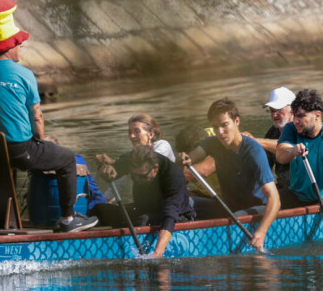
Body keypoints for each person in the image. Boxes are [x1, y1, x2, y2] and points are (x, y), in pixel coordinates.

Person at [0, 0, 97, 233]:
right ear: (9, 46)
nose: (21, 45)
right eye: (18, 42)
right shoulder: (24, 74)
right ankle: (68, 219)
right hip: (18, 149)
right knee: (66, 158)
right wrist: (41, 143)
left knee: (3, 165)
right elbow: (37, 117)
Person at [181, 99, 281, 252]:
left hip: (257, 208)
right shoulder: (212, 143)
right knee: (183, 201)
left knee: (236, 216)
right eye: (215, 127)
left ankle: (206, 245)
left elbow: (275, 200)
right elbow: (191, 157)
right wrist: (182, 158)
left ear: (237, 121)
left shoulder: (253, 151)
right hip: (229, 206)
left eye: (224, 125)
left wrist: (261, 232)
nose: (220, 132)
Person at [276, 88, 323, 237]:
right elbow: (280, 155)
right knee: (270, 201)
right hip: (299, 195)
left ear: (317, 116)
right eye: (294, 116)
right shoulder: (291, 129)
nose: (296, 121)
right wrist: (292, 151)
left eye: (301, 116)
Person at [110, 144, 195, 258]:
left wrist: (157, 253)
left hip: (178, 217)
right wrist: (107, 169)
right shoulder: (132, 161)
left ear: (155, 168)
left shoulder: (173, 176)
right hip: (146, 211)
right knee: (101, 210)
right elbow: (115, 167)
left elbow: (169, 218)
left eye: (142, 176)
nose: (138, 180)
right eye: (134, 176)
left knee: (143, 219)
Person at [27, 135, 108, 226]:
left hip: (44, 217)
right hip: (88, 208)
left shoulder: (37, 164)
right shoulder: (77, 159)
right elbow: (94, 190)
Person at [95, 113, 175, 179]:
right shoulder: (134, 163)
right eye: (129, 132)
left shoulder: (163, 145)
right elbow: (121, 183)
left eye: (137, 131)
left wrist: (114, 162)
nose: (132, 136)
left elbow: (148, 159)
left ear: (151, 134)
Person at [254, 87, 295, 196]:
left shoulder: (300, 128)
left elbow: (289, 147)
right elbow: (264, 166)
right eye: (272, 110)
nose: (274, 115)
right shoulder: (272, 132)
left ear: (292, 110)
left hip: (301, 190)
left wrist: (254, 141)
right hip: (283, 188)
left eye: (278, 110)